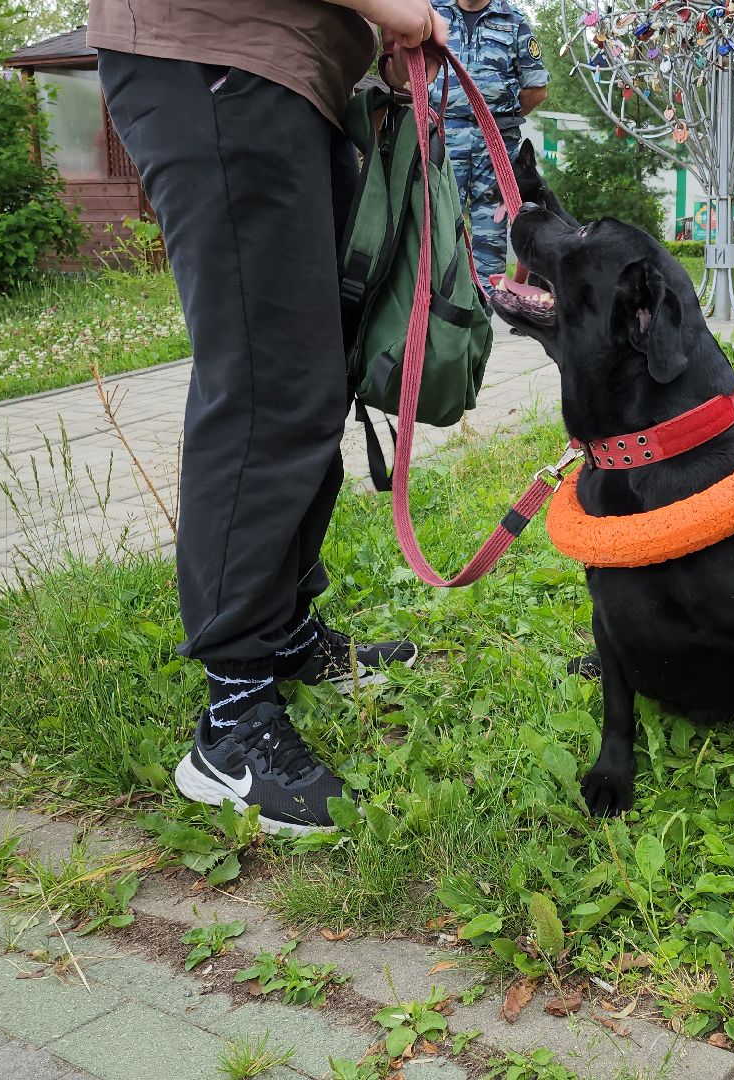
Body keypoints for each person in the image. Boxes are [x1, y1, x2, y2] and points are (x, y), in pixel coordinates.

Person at [88, 0, 444, 835]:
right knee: (263, 383)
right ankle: (232, 717)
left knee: (314, 378)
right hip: (215, 58)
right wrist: (401, 13)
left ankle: (281, 632)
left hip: (286, 76)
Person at [430, 0, 549, 287]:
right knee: (438, 231)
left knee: (489, 242)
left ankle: (482, 320)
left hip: (495, 148)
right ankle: (440, 316)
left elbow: (536, 89)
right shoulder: (433, 13)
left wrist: (496, 120)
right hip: (445, 141)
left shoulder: (514, 20)